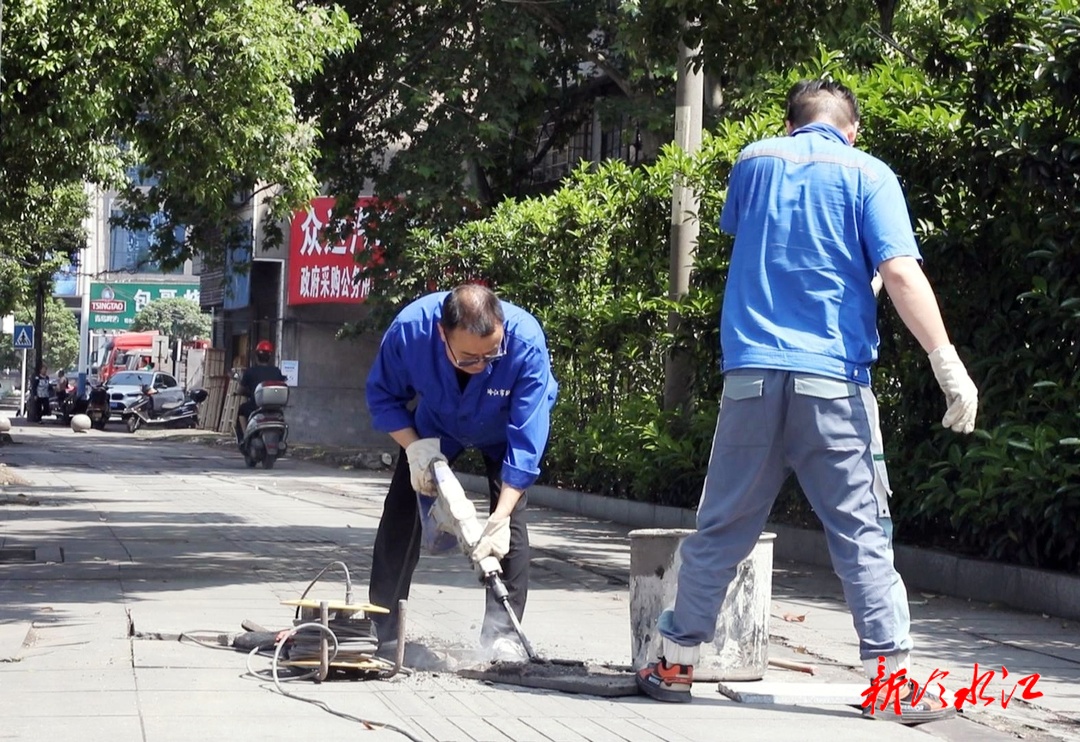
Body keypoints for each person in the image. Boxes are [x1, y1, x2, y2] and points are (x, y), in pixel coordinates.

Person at [635, 80, 979, 724]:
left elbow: (757, 238)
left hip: (751, 378)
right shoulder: (870, 172)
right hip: (833, 381)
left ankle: (676, 660)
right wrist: (945, 360)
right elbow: (900, 271)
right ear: (853, 129)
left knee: (724, 526)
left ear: (791, 125)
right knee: (860, 530)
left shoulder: (754, 161)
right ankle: (890, 683)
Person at [365, 284, 558, 660]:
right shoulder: (411, 330)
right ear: (442, 334)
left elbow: (527, 439)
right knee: (403, 510)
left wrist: (499, 516)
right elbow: (383, 396)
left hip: (503, 431)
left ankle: (503, 635)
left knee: (510, 523)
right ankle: (383, 622)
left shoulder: (527, 343)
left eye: (492, 354)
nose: (483, 365)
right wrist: (416, 450)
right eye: (470, 357)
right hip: (437, 425)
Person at [235, 340, 285, 442]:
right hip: (275, 408)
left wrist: (238, 393)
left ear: (256, 356)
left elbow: (240, 390)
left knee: (241, 410)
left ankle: (246, 437)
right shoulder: (276, 371)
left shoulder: (250, 372)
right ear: (270, 356)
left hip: (256, 406)